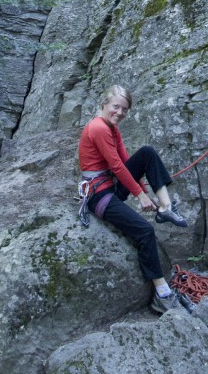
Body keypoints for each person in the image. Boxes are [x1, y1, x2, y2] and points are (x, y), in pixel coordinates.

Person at [78, 84, 188, 314]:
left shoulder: (111, 127)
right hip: (98, 196)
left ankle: (166, 207)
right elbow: (117, 166)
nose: (120, 112)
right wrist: (138, 195)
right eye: (116, 107)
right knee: (145, 231)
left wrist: (145, 194)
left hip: (110, 187)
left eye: (124, 109)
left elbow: (126, 160)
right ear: (104, 104)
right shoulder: (98, 128)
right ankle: (162, 293)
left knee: (146, 152)